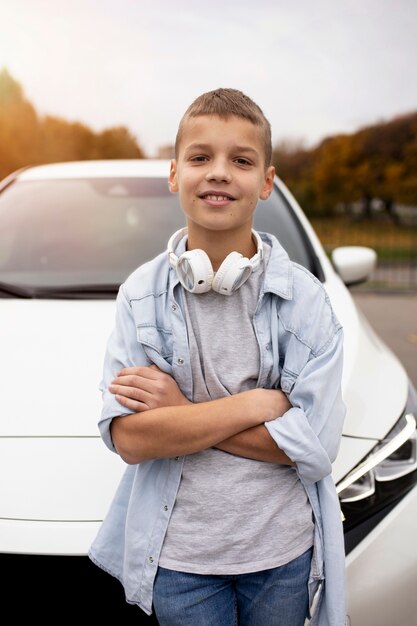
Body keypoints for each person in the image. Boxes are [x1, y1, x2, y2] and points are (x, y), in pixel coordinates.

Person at [88, 88, 347, 626]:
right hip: (181, 559)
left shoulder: (306, 300)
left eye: (242, 160)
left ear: (267, 182)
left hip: (282, 554)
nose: (219, 173)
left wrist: (177, 410)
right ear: (175, 174)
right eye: (200, 157)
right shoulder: (141, 295)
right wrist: (256, 405)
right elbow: (130, 439)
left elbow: (314, 448)